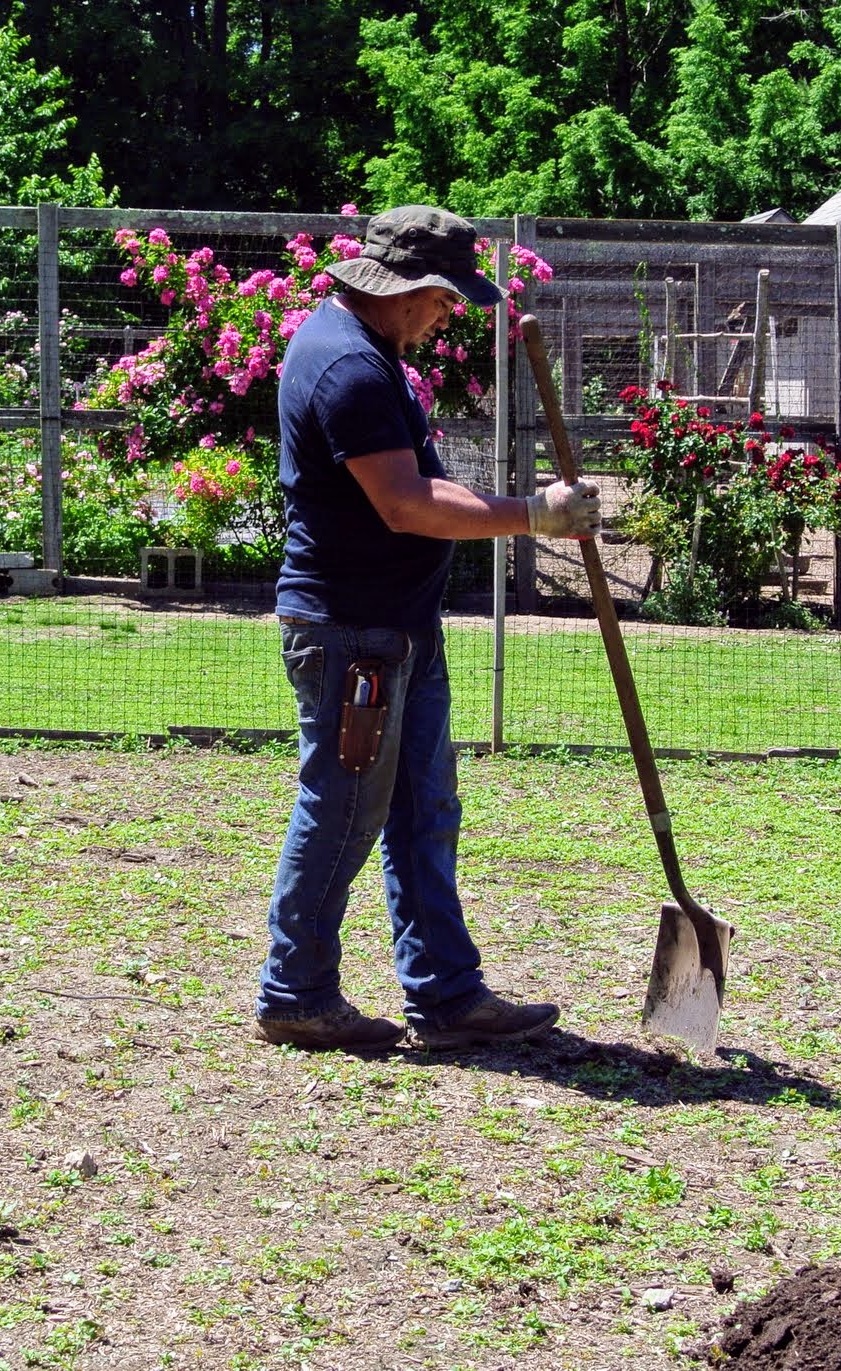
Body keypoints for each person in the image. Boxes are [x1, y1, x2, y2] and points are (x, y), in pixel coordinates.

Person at [256, 205, 601, 1052]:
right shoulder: (349, 370)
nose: (449, 314)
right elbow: (407, 505)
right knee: (343, 809)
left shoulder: (362, 351)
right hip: (354, 634)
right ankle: (294, 990)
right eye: (445, 298)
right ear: (404, 287)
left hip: (394, 629)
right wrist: (533, 515)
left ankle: (446, 994)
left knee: (422, 809)